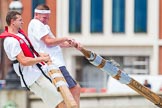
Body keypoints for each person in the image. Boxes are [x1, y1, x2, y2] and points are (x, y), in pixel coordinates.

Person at [1, 11, 66, 108]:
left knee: (58, 101)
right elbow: (23, 61)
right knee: (59, 101)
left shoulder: (20, 35)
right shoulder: (11, 41)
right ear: (12, 22)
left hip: (39, 72)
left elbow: (30, 51)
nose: (23, 22)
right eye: (20, 20)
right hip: (32, 77)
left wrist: (42, 55)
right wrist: (41, 59)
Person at [28, 4, 81, 107]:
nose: (46, 20)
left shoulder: (43, 26)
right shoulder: (36, 23)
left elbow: (56, 43)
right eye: (44, 18)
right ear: (36, 14)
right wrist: (65, 38)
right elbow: (48, 41)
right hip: (55, 63)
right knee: (74, 88)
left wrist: (71, 44)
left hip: (54, 63)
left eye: (48, 18)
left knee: (64, 93)